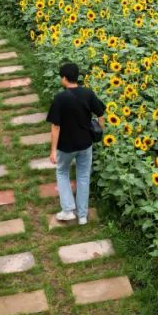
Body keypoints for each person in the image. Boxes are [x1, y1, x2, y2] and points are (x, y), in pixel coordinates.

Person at [46, 62, 105, 225]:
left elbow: (55, 127)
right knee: (84, 176)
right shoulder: (88, 93)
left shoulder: (60, 98)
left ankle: (67, 210)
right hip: (85, 143)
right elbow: (101, 114)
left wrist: (52, 151)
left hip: (66, 146)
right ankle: (83, 215)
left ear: (64, 78)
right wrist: (100, 131)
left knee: (62, 172)